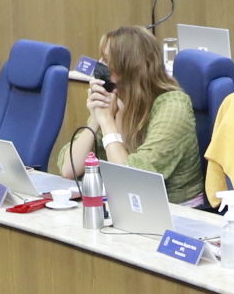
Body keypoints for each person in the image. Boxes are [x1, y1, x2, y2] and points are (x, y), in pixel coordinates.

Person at [50, 24, 203, 203]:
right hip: (124, 203)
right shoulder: (115, 99)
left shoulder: (173, 106)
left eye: (107, 61)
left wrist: (107, 122)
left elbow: (132, 181)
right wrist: (96, 119)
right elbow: (69, 170)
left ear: (129, 68)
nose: (100, 67)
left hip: (174, 209)